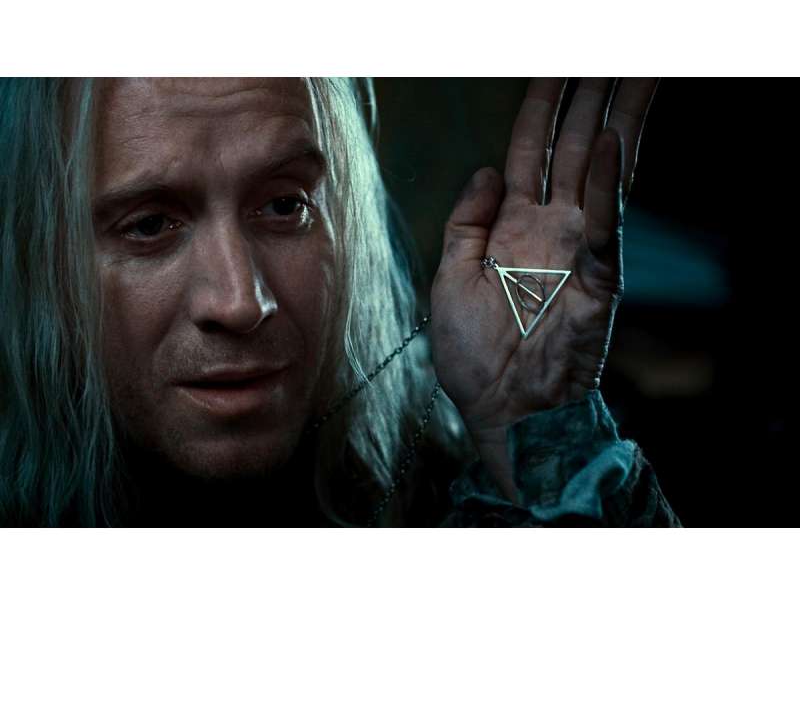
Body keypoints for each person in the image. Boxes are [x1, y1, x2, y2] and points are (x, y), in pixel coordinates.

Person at [0, 77, 679, 527]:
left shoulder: (442, 464)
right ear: (38, 253)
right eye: (150, 225)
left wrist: (539, 437)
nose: (241, 302)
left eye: (284, 206)